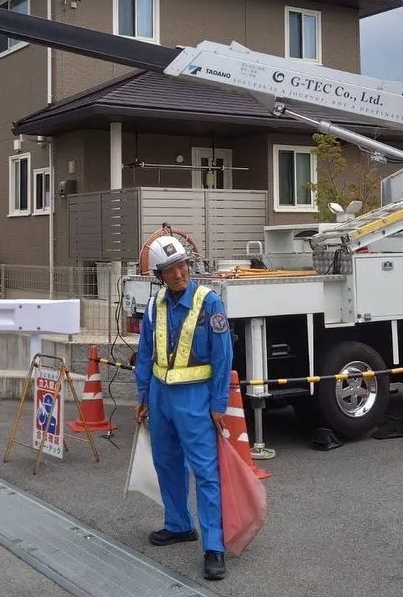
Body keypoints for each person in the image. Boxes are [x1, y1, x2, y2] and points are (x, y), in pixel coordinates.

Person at [133, 235, 233, 581]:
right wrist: (143, 396)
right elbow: (145, 352)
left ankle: (214, 546)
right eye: (171, 269)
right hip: (160, 397)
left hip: (195, 398)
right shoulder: (154, 305)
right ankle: (178, 525)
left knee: (206, 472)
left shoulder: (209, 303)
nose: (179, 273)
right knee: (166, 462)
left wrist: (219, 403)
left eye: (183, 265)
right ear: (159, 275)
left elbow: (224, 357)